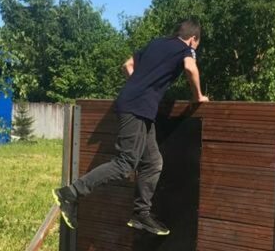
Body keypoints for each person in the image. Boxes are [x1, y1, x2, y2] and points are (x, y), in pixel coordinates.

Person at [53, 19, 209, 236]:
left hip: (140, 107)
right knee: (125, 163)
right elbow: (190, 68)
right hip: (137, 108)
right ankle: (70, 193)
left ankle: (140, 214)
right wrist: (198, 96)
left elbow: (127, 65)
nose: (195, 49)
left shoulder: (156, 43)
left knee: (153, 162)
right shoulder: (186, 49)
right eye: (196, 45)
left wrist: (140, 87)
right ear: (193, 39)